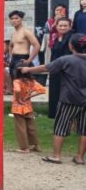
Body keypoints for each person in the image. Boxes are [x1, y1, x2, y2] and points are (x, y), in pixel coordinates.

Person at [21, 33, 86, 165]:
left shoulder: (66, 60)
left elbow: (45, 68)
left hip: (69, 99)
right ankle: (80, 157)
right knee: (84, 130)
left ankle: (56, 156)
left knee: (61, 126)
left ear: (70, 46)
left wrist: (28, 69)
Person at [11, 61, 44, 153]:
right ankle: (36, 145)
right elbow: (42, 90)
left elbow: (17, 90)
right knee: (31, 127)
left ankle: (25, 148)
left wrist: (18, 99)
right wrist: (30, 96)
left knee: (21, 128)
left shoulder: (17, 81)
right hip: (28, 106)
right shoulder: (32, 81)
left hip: (18, 107)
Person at [48, 18, 74, 119]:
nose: (62, 27)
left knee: (66, 93)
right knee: (55, 91)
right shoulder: (56, 37)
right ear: (56, 26)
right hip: (55, 69)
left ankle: (69, 116)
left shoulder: (73, 37)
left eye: (65, 26)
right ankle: (56, 114)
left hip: (67, 70)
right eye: (60, 25)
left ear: (70, 26)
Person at [8, 10, 40, 78]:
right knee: (13, 81)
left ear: (21, 19)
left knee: (22, 82)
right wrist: (11, 57)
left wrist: (29, 60)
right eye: (12, 19)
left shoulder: (26, 31)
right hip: (14, 59)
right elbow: (10, 46)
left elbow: (37, 45)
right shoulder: (14, 33)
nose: (14, 20)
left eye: (16, 18)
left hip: (22, 58)